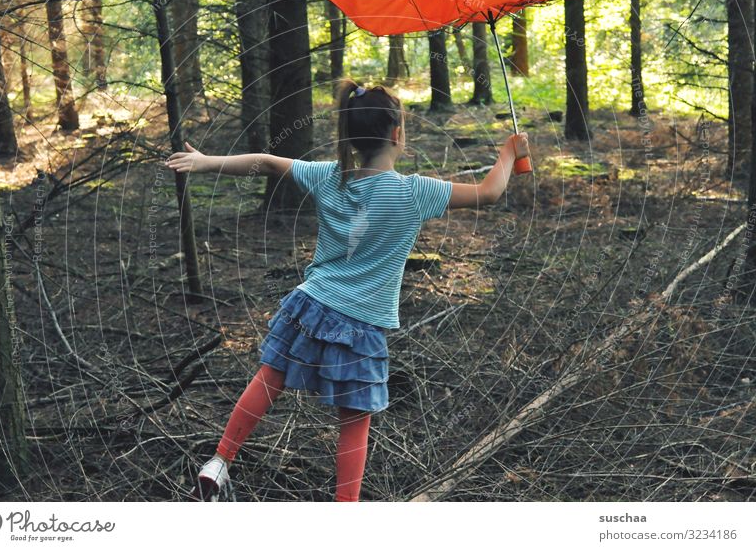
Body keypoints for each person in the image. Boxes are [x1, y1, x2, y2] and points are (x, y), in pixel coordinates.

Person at [165, 78, 529, 502]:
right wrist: (509, 152)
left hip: (311, 303)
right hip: (361, 322)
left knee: (270, 378)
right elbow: (490, 192)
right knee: (355, 420)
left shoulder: (329, 177)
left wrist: (207, 162)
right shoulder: (413, 193)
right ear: (397, 135)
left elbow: (265, 162)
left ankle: (220, 460)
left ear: (352, 138)